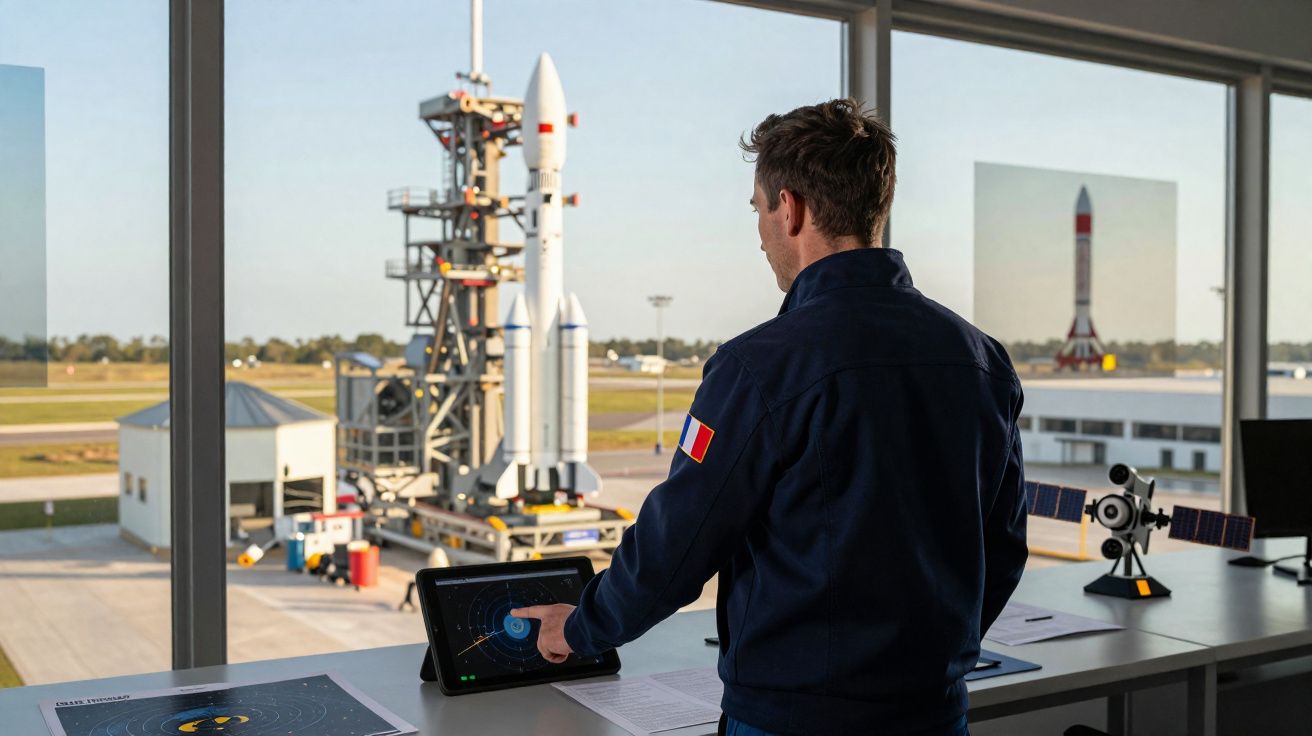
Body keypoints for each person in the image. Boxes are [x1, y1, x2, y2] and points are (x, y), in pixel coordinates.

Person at [513, 98, 1028, 736]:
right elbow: (1002, 547)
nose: (759, 231)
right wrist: (926, 658)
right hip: (934, 714)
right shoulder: (981, 360)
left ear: (791, 209)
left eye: (759, 210)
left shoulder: (758, 367)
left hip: (794, 719)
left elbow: (675, 548)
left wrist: (584, 625)